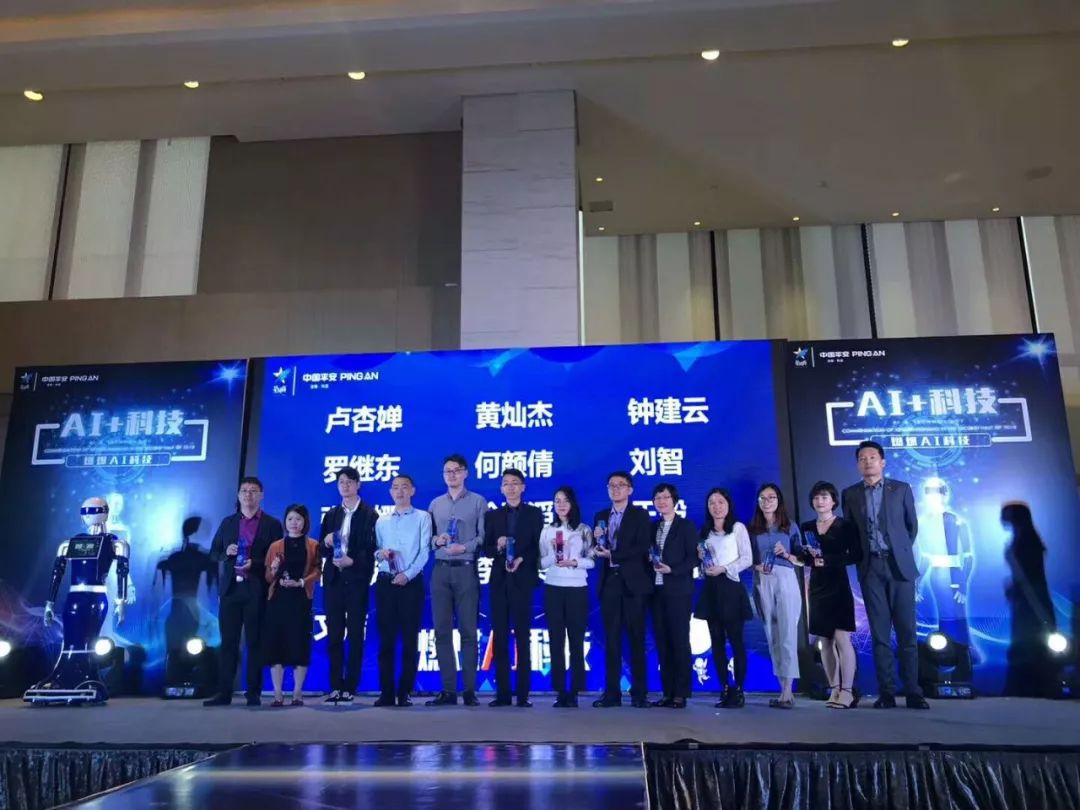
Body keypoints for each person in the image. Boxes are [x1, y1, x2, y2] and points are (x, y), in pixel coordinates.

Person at [841, 440, 929, 709]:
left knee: (907, 632)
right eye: (862, 458)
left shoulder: (900, 489)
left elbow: (911, 527)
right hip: (870, 568)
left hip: (899, 567)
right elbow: (851, 532)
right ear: (858, 465)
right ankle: (887, 692)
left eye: (872, 457)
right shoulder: (850, 494)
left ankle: (913, 691)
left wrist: (898, 551)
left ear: (882, 462)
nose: (867, 462)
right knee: (879, 634)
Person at [205, 477, 282, 707]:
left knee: (255, 642)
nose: (248, 495)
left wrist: (255, 563)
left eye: (253, 491)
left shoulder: (272, 524)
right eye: (244, 491)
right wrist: (226, 552)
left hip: (256, 589)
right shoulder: (228, 522)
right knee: (228, 642)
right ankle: (224, 692)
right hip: (230, 590)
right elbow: (214, 552)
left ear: (261, 495)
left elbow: (278, 557)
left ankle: (253, 692)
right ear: (238, 495)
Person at [427, 453, 488, 706]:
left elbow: (483, 537)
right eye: (447, 471)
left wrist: (464, 547)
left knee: (468, 632)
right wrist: (438, 540)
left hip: (466, 569)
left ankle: (470, 690)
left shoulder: (478, 502)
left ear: (465, 473)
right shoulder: (435, 504)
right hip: (440, 570)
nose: (452, 475)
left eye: (456, 470)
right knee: (441, 631)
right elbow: (428, 538)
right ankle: (448, 690)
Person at [482, 469, 544, 708]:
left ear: (523, 487)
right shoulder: (493, 516)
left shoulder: (534, 514)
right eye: (506, 483)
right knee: (499, 636)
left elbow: (537, 546)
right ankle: (503, 694)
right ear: (501, 489)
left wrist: (521, 559)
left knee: (523, 636)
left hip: (523, 580)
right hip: (499, 581)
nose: (510, 487)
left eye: (515, 483)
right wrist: (498, 547)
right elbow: (487, 550)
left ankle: (523, 695)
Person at [797, 481, 862, 709]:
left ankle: (848, 691)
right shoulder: (807, 527)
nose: (820, 501)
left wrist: (828, 560)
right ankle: (834, 689)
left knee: (842, 638)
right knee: (824, 641)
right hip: (817, 587)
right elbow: (807, 559)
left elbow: (856, 555)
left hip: (838, 584)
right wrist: (799, 557)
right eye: (816, 497)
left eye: (824, 497)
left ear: (833, 501)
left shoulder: (845, 525)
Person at [592, 471, 653, 708]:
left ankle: (639, 694)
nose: (616, 489)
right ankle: (612, 693)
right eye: (612, 485)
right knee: (611, 640)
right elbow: (597, 548)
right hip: (610, 583)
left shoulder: (640, 515)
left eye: (621, 485)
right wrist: (597, 543)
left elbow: (642, 547)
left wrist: (613, 555)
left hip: (633, 584)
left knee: (637, 639)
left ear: (630, 490)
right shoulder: (600, 516)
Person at [319, 466, 377, 704]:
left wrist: (352, 561)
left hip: (356, 581)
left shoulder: (370, 514)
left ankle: (350, 686)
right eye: (341, 482)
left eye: (350, 482)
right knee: (334, 634)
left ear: (358, 485)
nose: (345, 486)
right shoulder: (331, 515)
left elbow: (371, 549)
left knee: (354, 634)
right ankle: (335, 685)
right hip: (333, 580)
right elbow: (322, 549)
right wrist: (326, 542)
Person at [373, 475, 431, 707]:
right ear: (390, 492)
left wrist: (407, 575)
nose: (399, 491)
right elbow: (376, 550)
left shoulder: (422, 517)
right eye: (395, 488)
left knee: (409, 639)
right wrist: (380, 554)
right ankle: (386, 692)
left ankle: (405, 691)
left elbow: (424, 551)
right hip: (386, 583)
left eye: (404, 487)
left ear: (412, 491)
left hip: (410, 584)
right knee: (386, 639)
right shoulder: (381, 521)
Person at [693, 487, 753, 709]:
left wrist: (724, 568)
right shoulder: (704, 531)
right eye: (712, 503)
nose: (716, 507)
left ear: (728, 505)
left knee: (736, 642)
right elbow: (702, 567)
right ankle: (725, 688)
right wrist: (702, 562)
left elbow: (747, 558)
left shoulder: (737, 528)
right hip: (711, 589)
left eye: (720, 502)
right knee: (716, 643)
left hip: (731, 587)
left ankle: (739, 690)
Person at [538, 486, 594, 708]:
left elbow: (592, 561)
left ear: (573, 504)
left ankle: (575, 690)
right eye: (557, 501)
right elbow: (540, 563)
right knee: (556, 640)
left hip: (577, 589)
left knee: (576, 641)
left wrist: (574, 562)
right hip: (553, 588)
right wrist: (554, 554)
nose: (561, 505)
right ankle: (560, 690)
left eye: (565, 500)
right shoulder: (547, 531)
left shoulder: (584, 530)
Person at [748, 482, 803, 708]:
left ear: (779, 500)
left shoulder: (790, 526)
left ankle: (788, 691)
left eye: (771, 497)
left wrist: (787, 554)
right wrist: (756, 566)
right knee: (772, 635)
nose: (767, 501)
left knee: (788, 633)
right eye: (762, 498)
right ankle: (782, 690)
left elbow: (802, 560)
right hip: (762, 580)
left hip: (786, 579)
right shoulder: (752, 529)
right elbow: (746, 559)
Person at [262, 504, 320, 707]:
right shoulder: (275, 546)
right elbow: (268, 577)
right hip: (278, 601)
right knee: (276, 646)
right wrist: (274, 570)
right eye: (290, 519)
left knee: (299, 645)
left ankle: (297, 693)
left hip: (301, 600)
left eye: (298, 519)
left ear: (305, 522)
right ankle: (277, 693)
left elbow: (317, 571)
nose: (294, 523)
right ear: (285, 522)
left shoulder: (313, 545)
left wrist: (301, 582)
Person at [647, 482, 699, 709]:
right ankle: (667, 692)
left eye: (665, 497)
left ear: (674, 501)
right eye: (658, 498)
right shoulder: (653, 527)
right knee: (662, 642)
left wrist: (673, 570)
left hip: (678, 591)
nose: (661, 501)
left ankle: (680, 693)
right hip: (656, 591)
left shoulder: (685, 526)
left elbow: (693, 559)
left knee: (679, 641)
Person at [1001, 502, 1057, 698]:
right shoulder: (1022, 538)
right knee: (1024, 641)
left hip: (1031, 598)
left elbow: (1029, 575)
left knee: (1030, 641)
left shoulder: (1027, 541)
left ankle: (1033, 686)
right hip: (1024, 598)